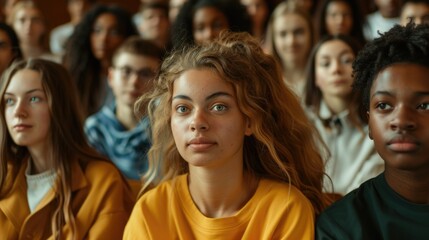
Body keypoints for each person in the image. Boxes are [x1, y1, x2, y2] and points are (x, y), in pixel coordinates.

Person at [123, 31, 330, 239]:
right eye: (183, 109)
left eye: (218, 107)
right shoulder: (150, 212)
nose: (197, 122)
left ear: (249, 121)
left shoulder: (285, 209)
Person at [316, 23, 429, 240]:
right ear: (369, 124)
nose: (401, 121)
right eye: (384, 105)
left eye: (424, 105)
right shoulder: (340, 226)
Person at [0, 59, 133, 239]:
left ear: (61, 106)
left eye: (34, 98)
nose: (18, 111)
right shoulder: (5, 177)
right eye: (9, 100)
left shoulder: (103, 181)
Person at [304, 34, 384, 196]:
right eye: (325, 64)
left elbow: (367, 192)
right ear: (315, 78)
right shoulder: (300, 124)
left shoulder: (378, 125)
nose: (336, 69)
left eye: (346, 61)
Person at [84, 36, 163, 196]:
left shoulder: (167, 126)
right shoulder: (95, 128)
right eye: (126, 71)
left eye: (145, 73)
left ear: (159, 82)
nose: (134, 81)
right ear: (111, 76)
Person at [63, 4, 138, 118]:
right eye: (97, 30)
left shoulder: (134, 77)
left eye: (114, 32)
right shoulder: (75, 75)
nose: (104, 38)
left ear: (126, 37)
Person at [266, 1, 313, 97]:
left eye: (298, 32)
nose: (291, 42)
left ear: (311, 33)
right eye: (283, 34)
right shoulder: (265, 80)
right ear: (273, 38)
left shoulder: (325, 76)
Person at [171, 0, 251, 49]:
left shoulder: (248, 67)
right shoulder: (184, 72)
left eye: (217, 25)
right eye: (200, 28)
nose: (209, 34)